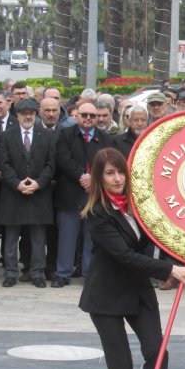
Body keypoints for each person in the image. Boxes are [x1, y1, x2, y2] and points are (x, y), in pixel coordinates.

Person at [79, 148, 185, 369]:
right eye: (110, 173)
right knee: (121, 365)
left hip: (138, 292)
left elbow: (164, 234)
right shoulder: (97, 214)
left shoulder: (139, 206)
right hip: (107, 297)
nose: (117, 179)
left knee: (157, 353)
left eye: (120, 172)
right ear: (100, 179)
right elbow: (125, 256)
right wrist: (168, 269)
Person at [51, 102, 113, 288]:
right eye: (84, 115)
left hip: (95, 195)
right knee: (67, 236)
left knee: (92, 237)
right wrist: (82, 176)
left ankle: (89, 273)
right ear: (76, 115)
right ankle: (63, 273)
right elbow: (63, 158)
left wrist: (93, 179)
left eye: (92, 116)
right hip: (69, 193)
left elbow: (107, 162)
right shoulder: (65, 134)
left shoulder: (105, 138)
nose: (88, 118)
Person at [0, 99, 56, 288]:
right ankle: (11, 273)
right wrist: (17, 184)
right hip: (14, 194)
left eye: (31, 113)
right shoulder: (7, 136)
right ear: (17, 115)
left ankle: (37, 273)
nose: (28, 116)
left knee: (39, 238)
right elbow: (3, 164)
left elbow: (51, 164)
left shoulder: (46, 135)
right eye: (23, 113)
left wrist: (38, 183)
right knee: (11, 238)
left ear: (36, 114)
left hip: (39, 194)